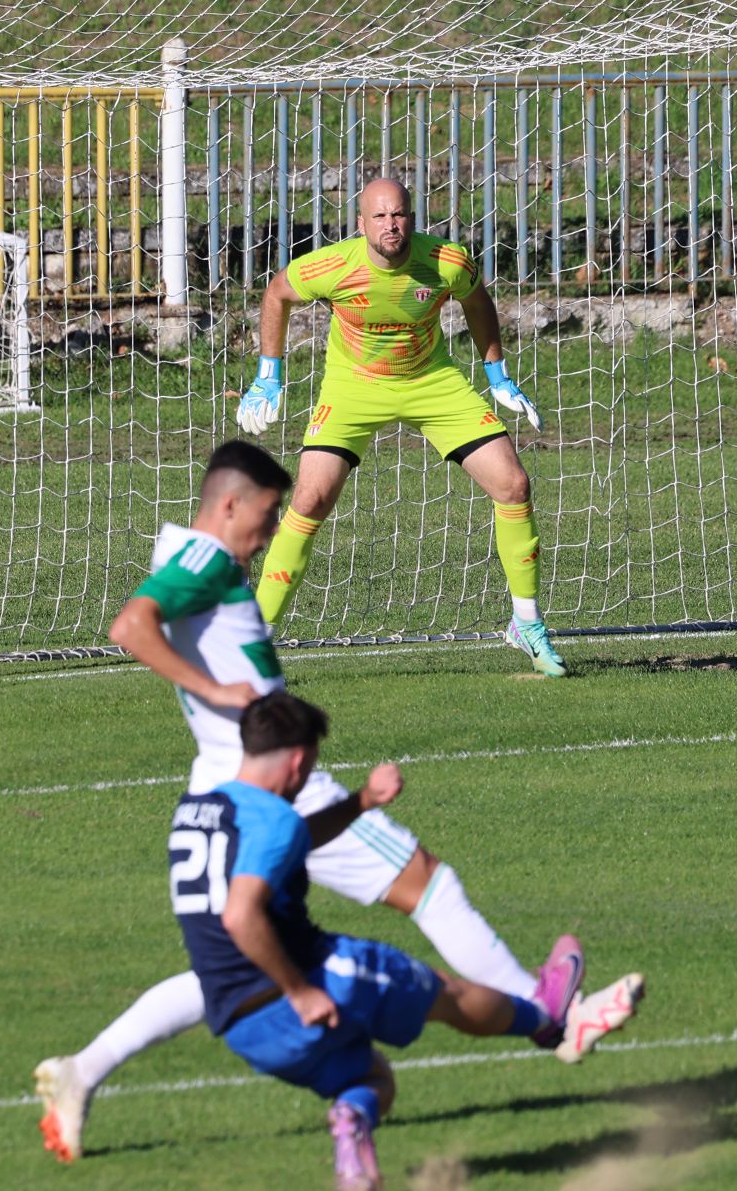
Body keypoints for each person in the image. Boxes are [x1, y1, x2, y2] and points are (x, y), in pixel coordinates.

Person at [34, 439, 583, 1165]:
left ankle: (83, 1070)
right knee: (426, 884)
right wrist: (215, 691)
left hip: (226, 784)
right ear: (227, 505)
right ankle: (551, 1017)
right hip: (273, 779)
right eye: (264, 519)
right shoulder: (203, 560)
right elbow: (130, 627)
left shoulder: (200, 561)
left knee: (235, 967)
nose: (267, 539)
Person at [177, 690, 644, 1191]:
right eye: (311, 766)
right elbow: (240, 916)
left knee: (372, 1080)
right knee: (449, 995)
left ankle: (352, 1146)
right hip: (312, 986)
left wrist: (362, 802)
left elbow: (290, 840)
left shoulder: (197, 811)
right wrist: (299, 991)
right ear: (296, 760)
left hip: (241, 1027)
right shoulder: (276, 820)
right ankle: (554, 1021)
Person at [235, 177, 569, 678]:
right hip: (353, 387)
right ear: (361, 224)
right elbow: (277, 294)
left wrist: (497, 374)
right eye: (381, 216)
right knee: (309, 500)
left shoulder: (446, 261)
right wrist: (268, 375)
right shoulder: (333, 267)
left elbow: (477, 301)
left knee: (513, 483)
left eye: (401, 215)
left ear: (412, 217)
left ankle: (526, 624)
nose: (392, 225)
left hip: (431, 380)